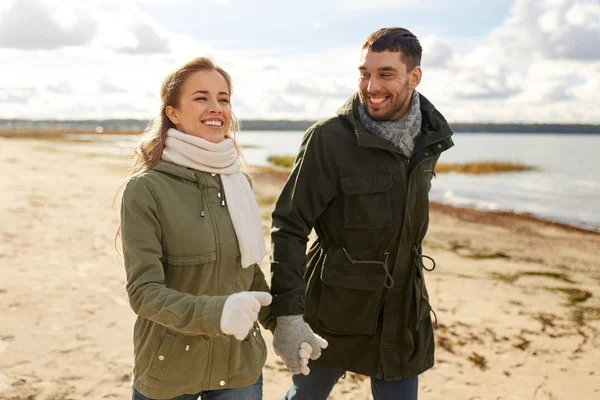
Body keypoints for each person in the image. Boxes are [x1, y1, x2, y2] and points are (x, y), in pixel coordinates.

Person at [269, 27, 455, 399]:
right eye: (365, 73)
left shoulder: (429, 137)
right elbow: (289, 226)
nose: (371, 86)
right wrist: (287, 315)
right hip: (334, 307)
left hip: (402, 310)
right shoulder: (328, 138)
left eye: (385, 74)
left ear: (414, 76)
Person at [119, 57, 272, 400]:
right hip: (170, 369)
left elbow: (248, 272)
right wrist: (217, 314)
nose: (216, 107)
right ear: (173, 113)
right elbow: (143, 292)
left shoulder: (238, 182)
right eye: (202, 98)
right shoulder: (146, 189)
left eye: (224, 98)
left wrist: (285, 324)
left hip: (239, 367)